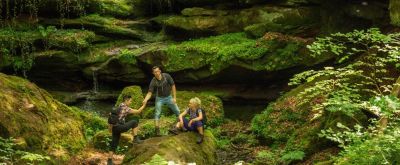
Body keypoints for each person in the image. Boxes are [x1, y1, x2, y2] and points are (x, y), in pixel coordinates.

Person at [142, 66, 180, 136]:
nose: (157, 73)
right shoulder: (153, 81)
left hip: (169, 97)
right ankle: (157, 130)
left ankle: (177, 126)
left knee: (177, 111)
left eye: (157, 71)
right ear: (153, 73)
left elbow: (173, 86)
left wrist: (174, 98)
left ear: (160, 71)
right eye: (155, 72)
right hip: (159, 98)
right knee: (157, 113)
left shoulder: (166, 76)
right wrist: (145, 99)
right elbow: (150, 92)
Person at [108, 95, 146, 165]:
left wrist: (110, 129)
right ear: (126, 100)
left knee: (114, 143)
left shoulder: (119, 106)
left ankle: (109, 161)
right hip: (120, 127)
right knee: (134, 121)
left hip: (114, 128)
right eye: (130, 101)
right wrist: (144, 104)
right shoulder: (125, 108)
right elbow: (138, 111)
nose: (131, 102)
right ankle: (135, 138)